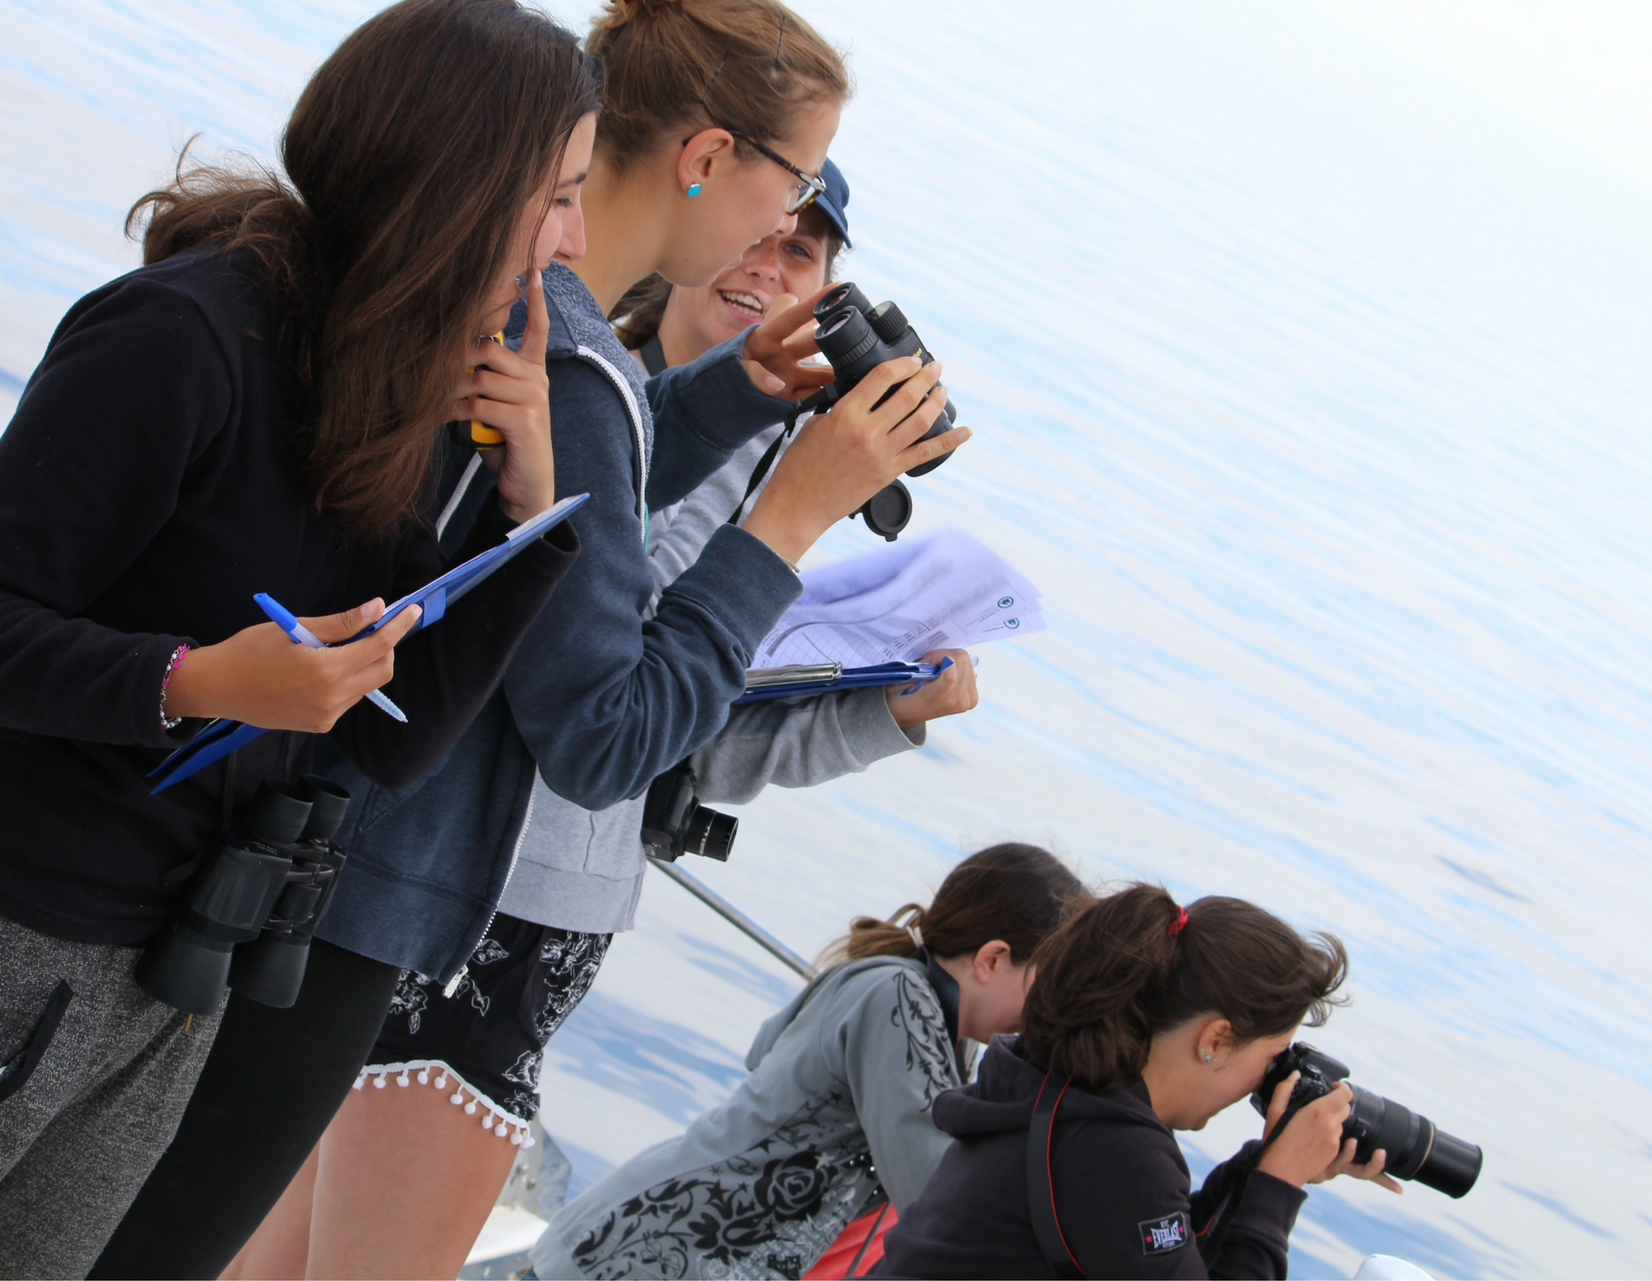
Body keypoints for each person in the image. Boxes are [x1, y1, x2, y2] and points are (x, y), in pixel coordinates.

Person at [97, 1, 970, 1276]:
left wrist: (733, 393)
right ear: (708, 156)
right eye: (790, 187)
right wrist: (782, 520)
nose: (787, 232)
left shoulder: (551, 337)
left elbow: (582, 505)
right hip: (362, 894)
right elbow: (607, 736)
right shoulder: (554, 353)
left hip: (309, 868)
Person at [0, 0, 596, 1273]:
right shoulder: (181, 337)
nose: (573, 245)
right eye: (556, 198)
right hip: (27, 923)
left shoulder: (400, 388)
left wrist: (530, 514)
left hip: (166, 984)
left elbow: (390, 744)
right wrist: (194, 681)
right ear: (455, 187)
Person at [530, 844, 1089, 1281]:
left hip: (669, 1246)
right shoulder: (899, 998)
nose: (1048, 1014)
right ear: (993, 959)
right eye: (1048, 987)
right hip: (648, 1251)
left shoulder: (925, 1015)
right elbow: (931, 1186)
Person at [871, 885, 1402, 1280]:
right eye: (1272, 1057)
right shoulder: (1113, 1150)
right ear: (1215, 1039)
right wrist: (1278, 1188)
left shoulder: (1062, 1089)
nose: (1267, 1080)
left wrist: (1259, 1170)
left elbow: (1160, 1255)